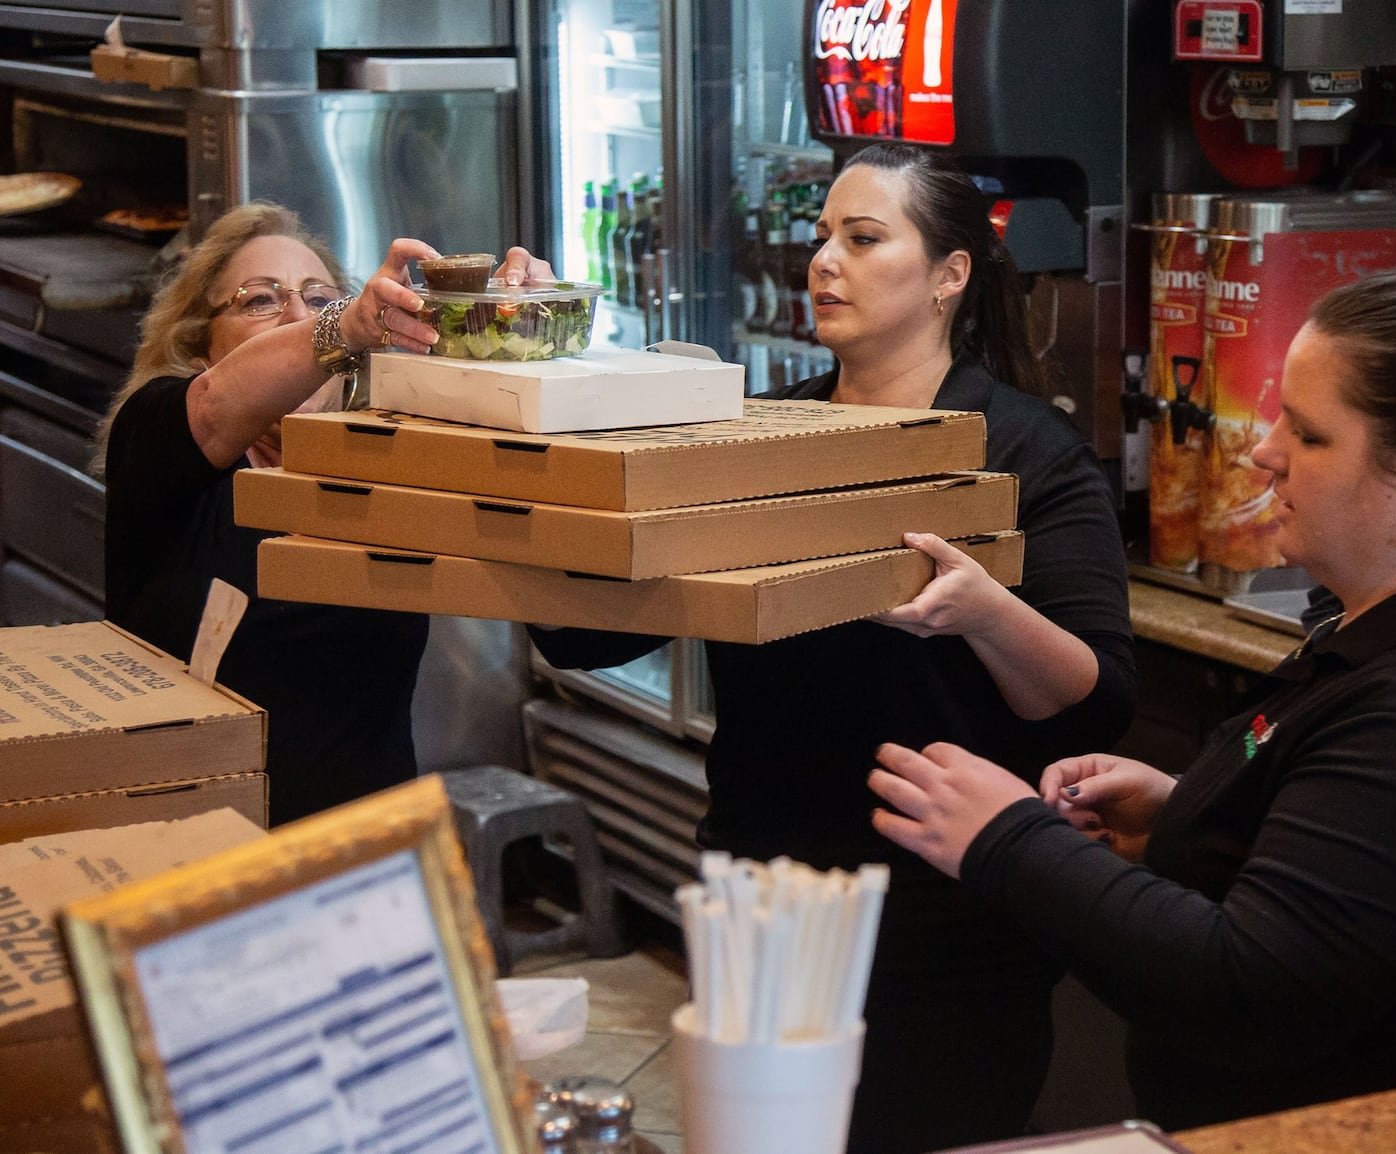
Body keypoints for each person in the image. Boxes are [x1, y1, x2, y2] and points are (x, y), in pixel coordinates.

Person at [867, 268, 1396, 1131]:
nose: (1263, 449)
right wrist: (1193, 820)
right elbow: (1352, 870)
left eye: (1311, 434)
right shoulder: (1391, 628)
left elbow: (1246, 992)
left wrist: (1007, 840)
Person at [512, 143, 1135, 1154]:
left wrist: (981, 610)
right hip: (761, 902)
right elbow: (577, 633)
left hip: (948, 920)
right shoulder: (763, 432)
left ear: (949, 274)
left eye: (863, 236)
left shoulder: (1023, 451)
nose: (823, 262)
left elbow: (1094, 699)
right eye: (819, 239)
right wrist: (544, 399)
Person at [98, 203, 545, 824]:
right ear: (201, 347)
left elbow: (568, 619)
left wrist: (526, 346)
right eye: (259, 300)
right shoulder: (157, 442)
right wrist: (344, 325)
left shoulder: (388, 466)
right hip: (189, 857)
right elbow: (215, 407)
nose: (297, 314)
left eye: (320, 298)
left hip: (361, 866)